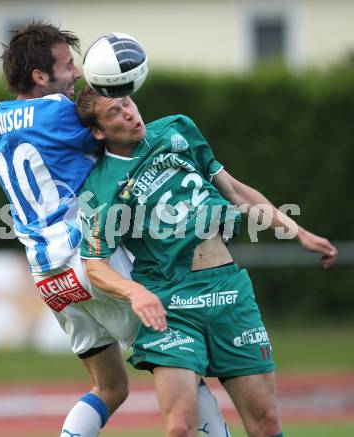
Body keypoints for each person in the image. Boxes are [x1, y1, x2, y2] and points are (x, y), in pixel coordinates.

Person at [0, 22, 231, 437]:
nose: (78, 74)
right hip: (91, 258)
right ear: (39, 77)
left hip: (48, 278)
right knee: (180, 357)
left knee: (109, 387)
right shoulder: (58, 112)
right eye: (67, 67)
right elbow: (118, 133)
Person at [76, 86, 338, 437]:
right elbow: (94, 264)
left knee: (266, 423)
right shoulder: (101, 187)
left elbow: (233, 189)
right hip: (172, 302)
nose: (128, 113)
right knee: (180, 428)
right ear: (98, 131)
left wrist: (297, 232)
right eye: (113, 113)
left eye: (128, 103)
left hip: (228, 291)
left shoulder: (177, 129)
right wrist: (134, 293)